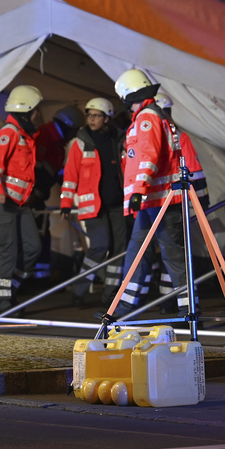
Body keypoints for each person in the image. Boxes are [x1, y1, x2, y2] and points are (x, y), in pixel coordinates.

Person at [114, 70, 190, 314]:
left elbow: (148, 157)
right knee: (138, 250)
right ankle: (126, 303)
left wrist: (138, 190)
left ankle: (188, 307)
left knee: (172, 255)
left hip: (160, 198)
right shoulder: (152, 115)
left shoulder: (147, 117)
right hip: (154, 199)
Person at [59, 97, 128, 306]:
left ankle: (111, 295)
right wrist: (66, 202)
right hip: (93, 205)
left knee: (119, 249)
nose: (91, 119)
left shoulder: (119, 139)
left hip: (117, 203)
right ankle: (79, 291)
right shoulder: (79, 142)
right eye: (89, 115)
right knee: (99, 246)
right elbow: (70, 175)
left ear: (107, 118)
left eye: (96, 115)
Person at [141, 93, 209, 303]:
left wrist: (201, 202)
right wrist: (202, 202)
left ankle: (169, 301)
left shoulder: (150, 135)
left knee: (169, 254)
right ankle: (170, 301)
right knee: (172, 254)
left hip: (159, 204)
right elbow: (195, 174)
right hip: (164, 204)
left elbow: (194, 173)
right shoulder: (175, 136)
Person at [0, 85, 44, 313]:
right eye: (35, 109)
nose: (37, 114)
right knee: (8, 249)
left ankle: (9, 291)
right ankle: (1, 304)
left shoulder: (24, 135)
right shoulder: (9, 133)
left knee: (33, 247)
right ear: (26, 110)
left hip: (19, 203)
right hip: (2, 201)